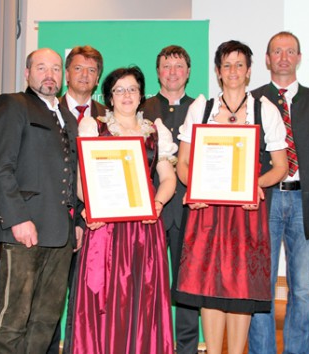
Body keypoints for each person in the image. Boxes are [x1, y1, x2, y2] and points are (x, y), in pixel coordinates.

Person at [175, 40, 289, 354]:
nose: (233, 71)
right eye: (227, 65)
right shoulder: (203, 108)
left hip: (246, 212)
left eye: (239, 65)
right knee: (208, 288)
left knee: (241, 290)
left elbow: (281, 166)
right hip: (207, 211)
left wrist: (257, 186)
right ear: (218, 71)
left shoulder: (264, 109)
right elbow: (183, 164)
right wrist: (194, 189)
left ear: (249, 71)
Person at [69, 66, 177, 354]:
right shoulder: (94, 127)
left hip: (144, 229)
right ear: (109, 96)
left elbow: (168, 179)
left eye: (132, 89)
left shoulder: (156, 131)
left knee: (143, 301)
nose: (127, 95)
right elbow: (82, 180)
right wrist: (92, 207)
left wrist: (157, 203)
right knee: (104, 299)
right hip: (106, 228)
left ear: (141, 95)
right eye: (119, 90)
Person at [0, 48, 78, 353]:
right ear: (27, 73)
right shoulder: (13, 104)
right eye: (41, 67)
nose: (49, 74)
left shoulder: (68, 117)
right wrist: (17, 218)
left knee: (46, 318)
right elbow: (0, 168)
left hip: (61, 232)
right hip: (25, 227)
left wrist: (77, 222)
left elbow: (75, 174)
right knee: (15, 315)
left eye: (55, 68)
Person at [248, 31, 309, 354]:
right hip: (264, 202)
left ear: (299, 58)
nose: (283, 57)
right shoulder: (250, 100)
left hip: (305, 204)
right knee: (261, 289)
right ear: (267, 59)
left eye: (290, 51)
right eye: (276, 52)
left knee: (303, 290)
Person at [141, 45, 200, 354]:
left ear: (188, 72)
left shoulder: (203, 109)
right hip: (149, 209)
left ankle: (186, 348)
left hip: (190, 211)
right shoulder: (141, 108)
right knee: (147, 284)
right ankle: (151, 345)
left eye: (179, 66)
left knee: (187, 287)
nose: (173, 72)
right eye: (166, 66)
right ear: (158, 72)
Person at [48, 44, 107, 354]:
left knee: (84, 299)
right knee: (49, 298)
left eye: (92, 70)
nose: (85, 75)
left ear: (98, 79)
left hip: (93, 222)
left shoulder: (108, 118)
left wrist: (85, 215)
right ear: (66, 74)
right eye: (79, 68)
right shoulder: (46, 109)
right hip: (51, 220)